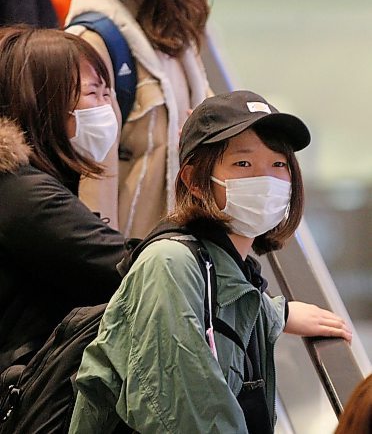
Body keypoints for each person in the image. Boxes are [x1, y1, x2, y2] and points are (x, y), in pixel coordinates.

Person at [68, 91, 352, 434]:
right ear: (195, 180)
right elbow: (188, 418)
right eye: (243, 164)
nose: (267, 180)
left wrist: (279, 314)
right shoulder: (170, 264)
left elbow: (227, 305)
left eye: (278, 164)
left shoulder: (228, 266)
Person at [65, 0, 212, 236]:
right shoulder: (93, 42)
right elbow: (88, 173)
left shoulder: (176, 42)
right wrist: (108, 271)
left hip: (175, 258)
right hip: (124, 265)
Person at [0, 26, 125, 374]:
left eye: (108, 94)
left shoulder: (27, 184)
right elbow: (129, 268)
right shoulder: (27, 195)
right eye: (93, 93)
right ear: (44, 101)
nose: (107, 110)